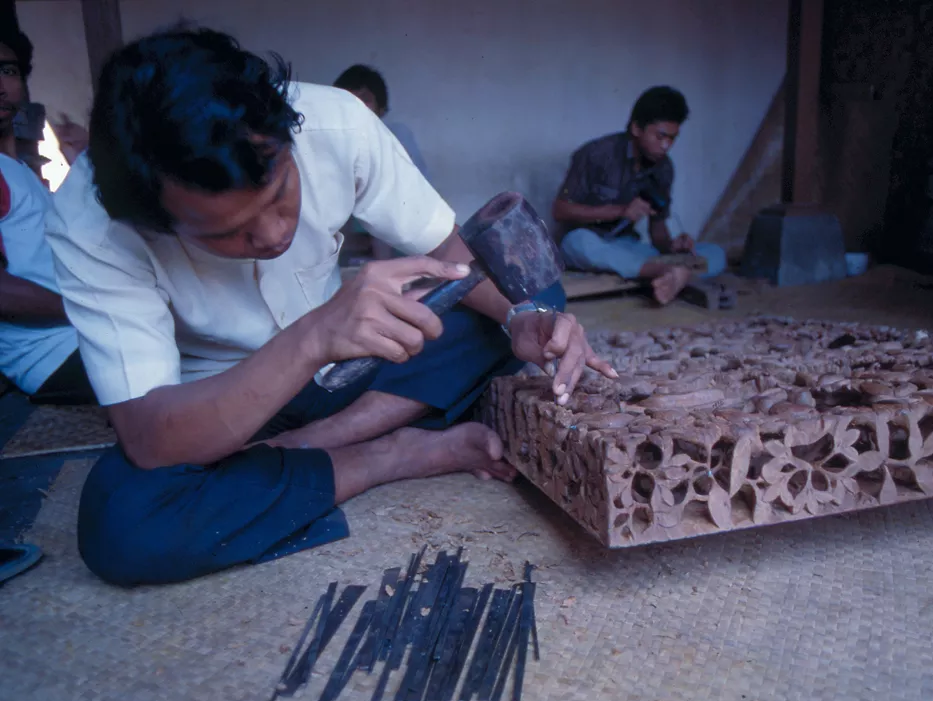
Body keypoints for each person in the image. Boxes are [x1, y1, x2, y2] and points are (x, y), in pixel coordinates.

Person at [45, 26, 616, 587]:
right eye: (226, 233)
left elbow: (453, 255)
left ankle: (307, 447)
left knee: (531, 293)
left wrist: (523, 319)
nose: (273, 235)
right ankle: (387, 456)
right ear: (155, 219)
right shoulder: (93, 225)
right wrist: (315, 335)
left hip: (352, 374)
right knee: (123, 522)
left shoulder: (334, 122)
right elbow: (150, 436)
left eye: (280, 193)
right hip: (226, 404)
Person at [552, 86, 727, 305]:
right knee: (575, 243)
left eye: (672, 138)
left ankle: (669, 273)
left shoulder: (664, 168)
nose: (666, 146)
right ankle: (667, 273)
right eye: (660, 136)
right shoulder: (596, 154)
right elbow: (560, 210)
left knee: (716, 253)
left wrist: (673, 246)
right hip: (594, 245)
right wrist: (620, 211)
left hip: (631, 250)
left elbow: (658, 232)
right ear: (636, 128)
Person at [0, 21, 96, 405]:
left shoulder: (21, 169)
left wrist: (85, 165)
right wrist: (88, 308)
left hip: (83, 334)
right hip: (52, 354)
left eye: (8, 71)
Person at [333, 64, 428, 261]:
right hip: (363, 235)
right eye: (348, 99)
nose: (356, 106)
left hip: (403, 231)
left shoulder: (397, 135)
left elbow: (398, 197)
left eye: (364, 99)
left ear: (381, 108)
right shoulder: (339, 141)